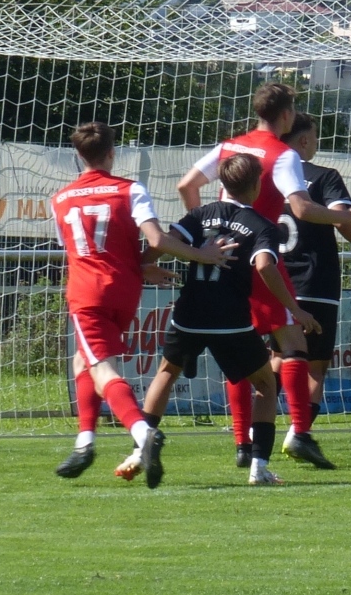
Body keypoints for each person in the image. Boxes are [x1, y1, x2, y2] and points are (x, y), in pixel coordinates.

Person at [176, 82, 351, 467]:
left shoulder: (230, 145)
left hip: (225, 258)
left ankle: (241, 443)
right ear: (286, 115)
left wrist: (208, 232)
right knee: (294, 343)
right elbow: (302, 209)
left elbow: (187, 185)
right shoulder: (283, 154)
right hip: (261, 254)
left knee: (241, 352)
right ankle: (299, 432)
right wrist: (350, 215)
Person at [51, 122, 235, 480]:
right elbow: (157, 240)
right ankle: (84, 442)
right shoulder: (130, 189)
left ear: (79, 155)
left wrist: (202, 254)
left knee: (102, 369)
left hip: (87, 293)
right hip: (125, 290)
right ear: (111, 152)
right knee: (84, 361)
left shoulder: (61, 199)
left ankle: (142, 432)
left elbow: (80, 252)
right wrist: (179, 257)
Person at [133, 154, 319, 487]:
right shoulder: (262, 225)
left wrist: (145, 267)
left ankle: (139, 449)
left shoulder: (199, 215)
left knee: (166, 373)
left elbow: (160, 244)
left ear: (222, 184)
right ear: (257, 185)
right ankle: (259, 468)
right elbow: (265, 266)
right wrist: (296, 309)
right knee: (265, 385)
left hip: (189, 314)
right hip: (231, 320)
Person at [273, 111, 351, 469]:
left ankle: (254, 431)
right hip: (314, 280)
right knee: (315, 365)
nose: (316, 143)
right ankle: (298, 433)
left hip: (273, 279)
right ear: (304, 140)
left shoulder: (268, 177)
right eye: (314, 137)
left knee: (277, 357)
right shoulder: (323, 175)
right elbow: (341, 218)